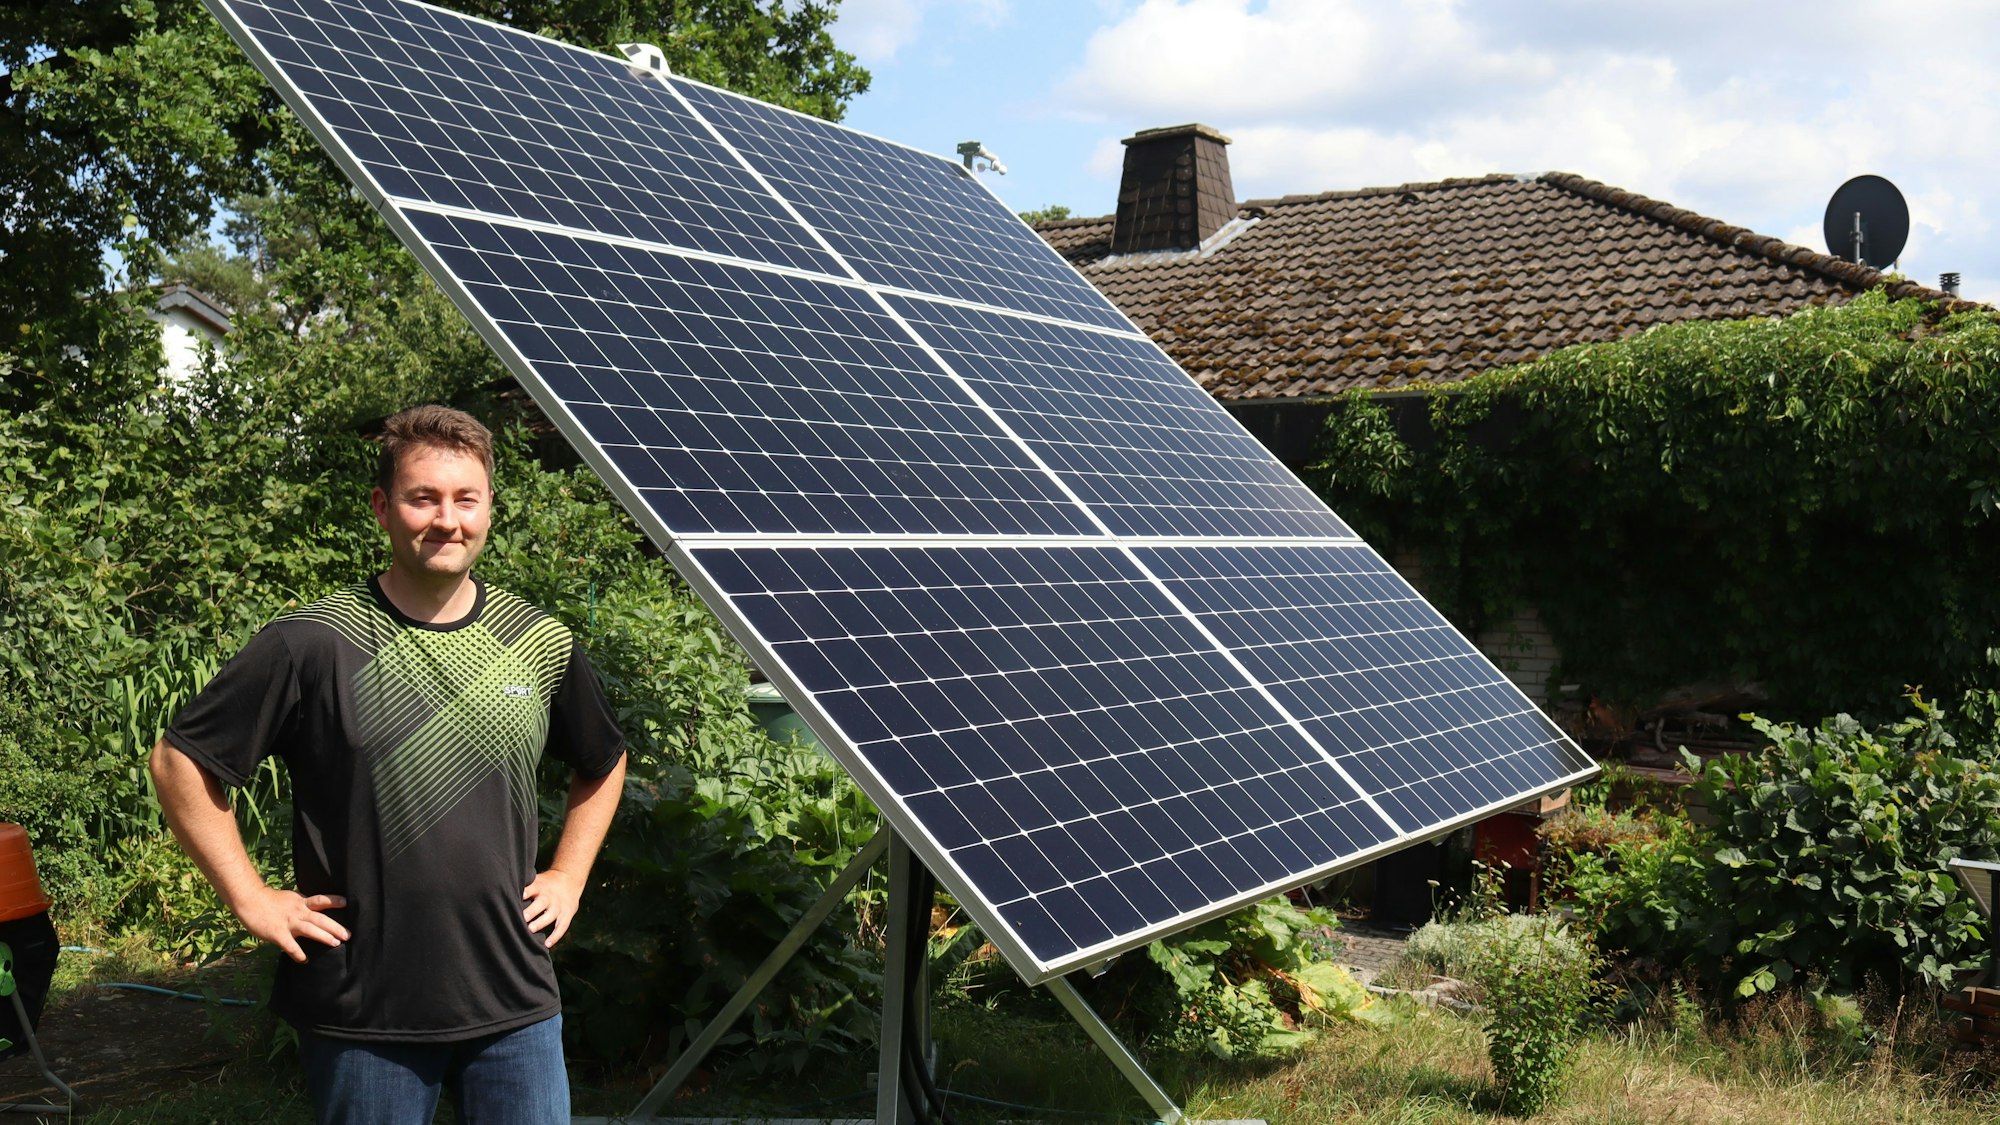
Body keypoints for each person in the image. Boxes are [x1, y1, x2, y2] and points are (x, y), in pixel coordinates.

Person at [150, 404, 627, 1125]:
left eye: (466, 498)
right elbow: (179, 760)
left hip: (515, 998)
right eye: (422, 498)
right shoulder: (312, 642)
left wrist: (568, 874)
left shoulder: (539, 640)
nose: (447, 519)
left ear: (490, 507)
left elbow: (604, 759)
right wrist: (250, 897)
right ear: (382, 507)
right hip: (364, 1010)